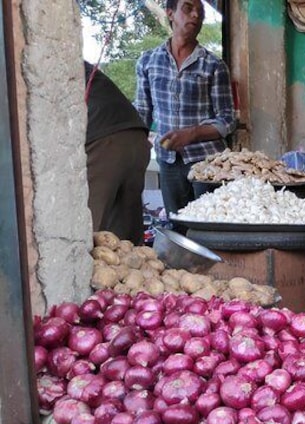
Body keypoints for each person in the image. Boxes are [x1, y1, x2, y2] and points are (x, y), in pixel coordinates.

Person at [134, 0, 236, 219]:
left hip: (208, 163)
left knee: (209, 223)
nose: (195, 16)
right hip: (168, 160)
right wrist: (136, 147)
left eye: (200, 12)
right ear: (170, 14)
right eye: (188, 9)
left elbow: (227, 120)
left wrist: (192, 133)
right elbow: (142, 111)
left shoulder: (213, 65)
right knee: (177, 224)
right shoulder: (148, 61)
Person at [84, 62, 151, 244]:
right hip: (136, 135)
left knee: (88, 234)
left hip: (103, 141)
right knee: (126, 238)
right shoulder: (76, 62)